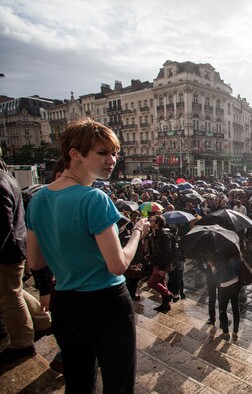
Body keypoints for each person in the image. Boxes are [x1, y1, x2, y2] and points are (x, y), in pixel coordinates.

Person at [25, 118, 150, 392]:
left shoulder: (37, 199)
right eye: (102, 152)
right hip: (106, 304)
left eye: (114, 152)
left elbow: (35, 261)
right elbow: (117, 265)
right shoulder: (94, 199)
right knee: (118, 384)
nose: (112, 160)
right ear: (75, 154)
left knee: (79, 382)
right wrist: (139, 231)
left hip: (66, 304)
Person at [0, 147, 52, 364]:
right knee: (14, 291)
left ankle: (22, 342)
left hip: (7, 251)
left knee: (9, 296)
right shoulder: (6, 178)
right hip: (15, 246)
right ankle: (41, 320)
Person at [207, 250, 241, 339]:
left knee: (223, 310)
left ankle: (226, 333)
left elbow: (219, 277)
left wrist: (213, 266)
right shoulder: (237, 256)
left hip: (225, 287)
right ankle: (235, 332)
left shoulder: (222, 259)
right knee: (235, 308)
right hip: (236, 284)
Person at [146, 215, 175, 312]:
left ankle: (168, 294)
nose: (150, 222)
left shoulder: (164, 234)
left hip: (162, 264)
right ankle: (165, 304)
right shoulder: (153, 234)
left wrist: (163, 268)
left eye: (152, 220)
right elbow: (155, 250)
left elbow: (168, 252)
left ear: (157, 223)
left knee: (151, 283)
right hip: (157, 262)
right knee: (162, 283)